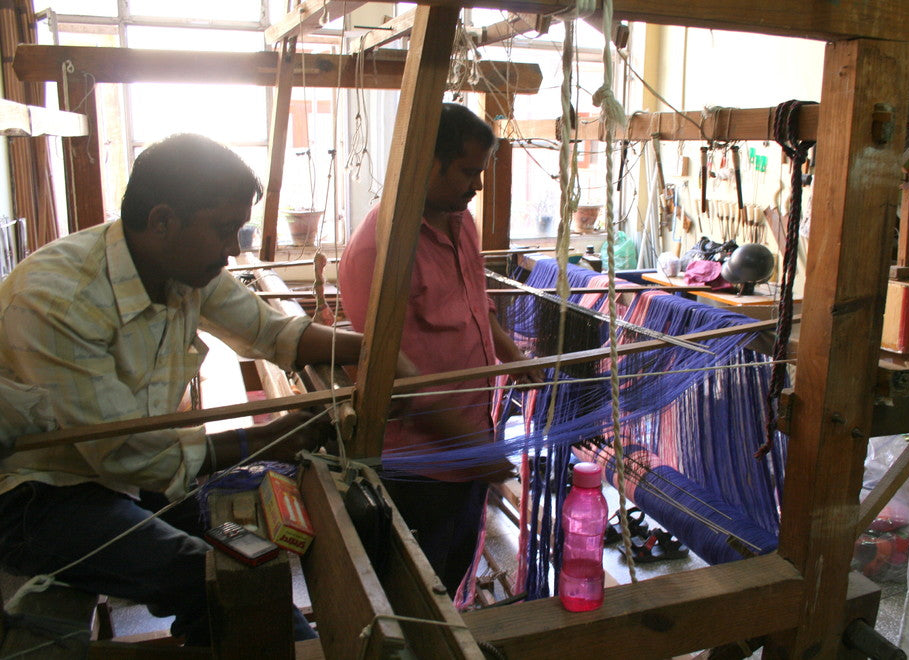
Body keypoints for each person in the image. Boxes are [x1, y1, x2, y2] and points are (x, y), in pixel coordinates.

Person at [0, 134, 414, 645]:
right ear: (162, 221)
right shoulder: (57, 301)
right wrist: (267, 439)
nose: (233, 248)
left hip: (116, 478)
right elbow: (127, 453)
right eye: (223, 230)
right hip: (34, 498)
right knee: (204, 577)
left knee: (245, 554)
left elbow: (270, 332)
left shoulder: (181, 268)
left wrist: (374, 353)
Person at [338, 103, 542, 597]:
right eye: (468, 172)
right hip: (419, 467)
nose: (478, 186)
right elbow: (396, 383)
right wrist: (478, 450)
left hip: (471, 442)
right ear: (428, 164)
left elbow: (477, 304)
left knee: (451, 573)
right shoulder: (379, 250)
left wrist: (513, 357)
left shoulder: (459, 221)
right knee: (415, 593)